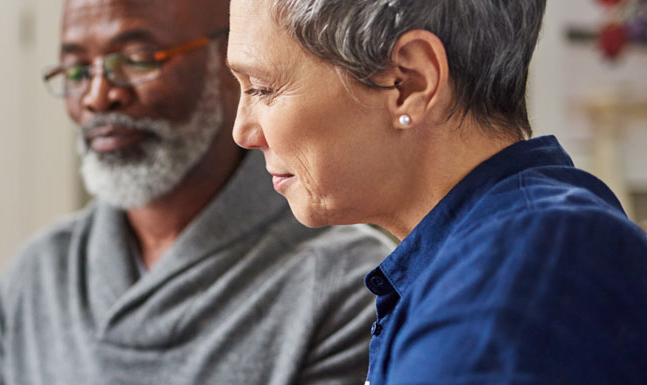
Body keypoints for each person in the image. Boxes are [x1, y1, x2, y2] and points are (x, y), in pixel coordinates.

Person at [0, 0, 395, 383]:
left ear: (233, 64)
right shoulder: (39, 272)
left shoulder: (347, 284)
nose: (97, 95)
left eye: (137, 59)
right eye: (75, 69)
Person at [226, 0, 647, 383]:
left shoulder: (507, 287)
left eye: (262, 88)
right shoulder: (515, 256)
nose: (242, 132)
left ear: (407, 84)